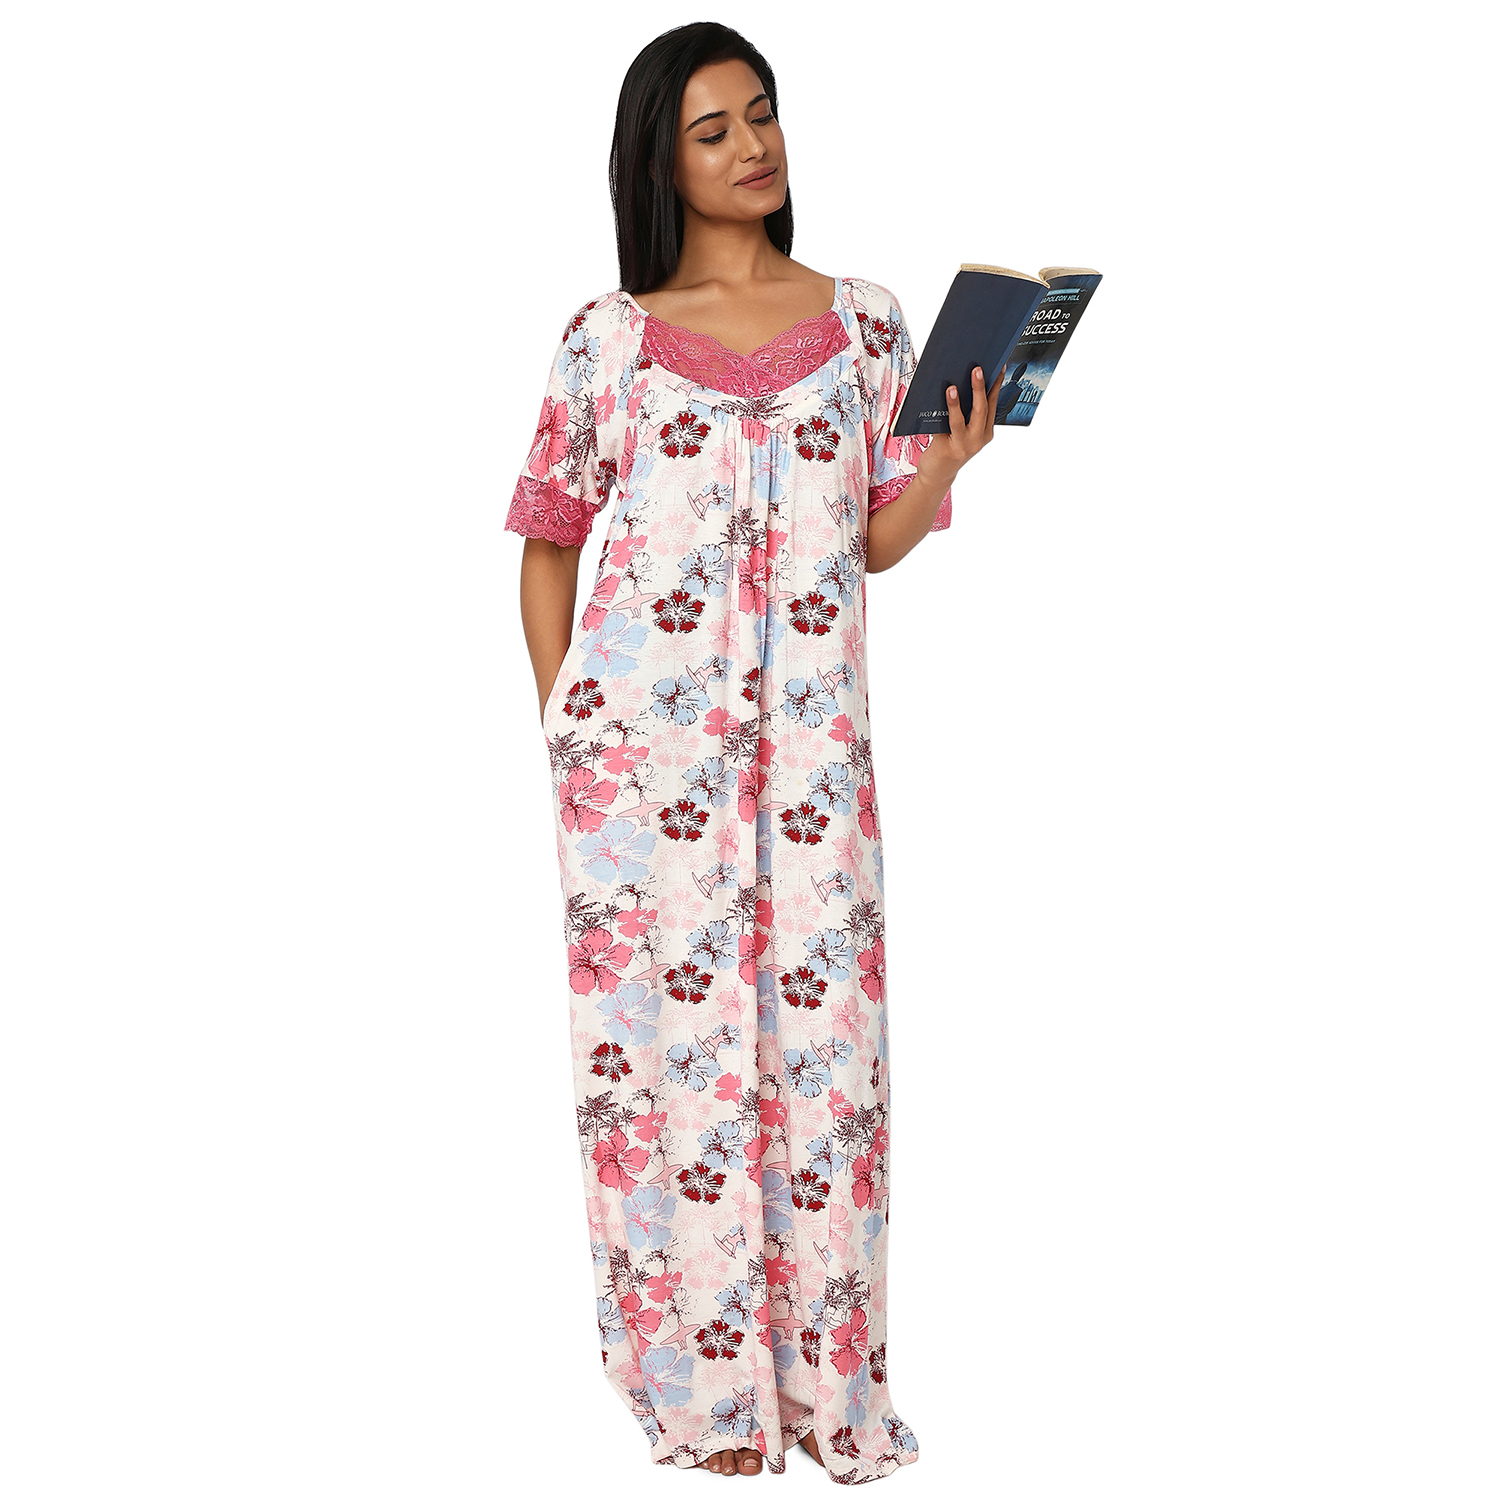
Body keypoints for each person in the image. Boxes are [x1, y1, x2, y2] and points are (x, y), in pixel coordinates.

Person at [505, 22, 1000, 1483]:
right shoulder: (609, 337)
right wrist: (566, 727)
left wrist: (949, 459)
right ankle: (704, 1398)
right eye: (712, 130)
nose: (751, 147)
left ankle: (829, 1395)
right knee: (661, 1073)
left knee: (826, 1069)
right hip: (638, 786)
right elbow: (548, 540)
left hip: (813, 776)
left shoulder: (868, 326)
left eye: (763, 115)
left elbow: (873, 544)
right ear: (661, 163)